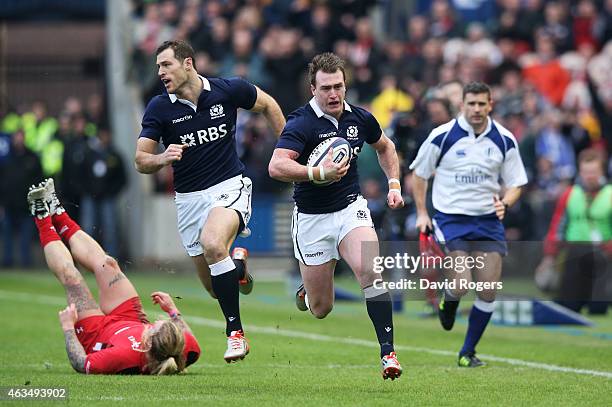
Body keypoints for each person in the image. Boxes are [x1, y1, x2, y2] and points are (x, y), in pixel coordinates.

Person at [134, 40, 286, 362]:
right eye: (158, 67)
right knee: (216, 288)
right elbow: (140, 160)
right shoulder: (160, 108)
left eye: (166, 65)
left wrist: (287, 152)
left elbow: (269, 105)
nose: (161, 72)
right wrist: (162, 158)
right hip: (189, 200)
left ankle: (235, 334)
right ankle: (239, 268)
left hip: (229, 185)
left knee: (214, 243)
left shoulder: (228, 90)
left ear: (188, 63)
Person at [268, 52, 405, 380]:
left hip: (349, 209)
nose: (333, 94)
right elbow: (276, 166)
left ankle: (388, 353)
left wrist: (395, 184)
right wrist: (318, 173)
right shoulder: (300, 123)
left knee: (370, 270)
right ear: (312, 89)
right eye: (326, 87)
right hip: (312, 219)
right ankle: (307, 289)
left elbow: (385, 147)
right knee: (321, 308)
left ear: (346, 86)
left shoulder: (359, 118)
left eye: (339, 86)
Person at [27, 178, 200, 374]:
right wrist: (173, 311)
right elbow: (191, 341)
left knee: (72, 276)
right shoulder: (180, 346)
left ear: (148, 342)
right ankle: (58, 212)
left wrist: (68, 328)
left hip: (96, 334)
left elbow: (81, 363)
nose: (154, 323)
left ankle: (41, 215)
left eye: (154, 327)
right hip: (130, 318)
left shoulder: (125, 356)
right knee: (108, 265)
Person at [410, 82, 528, 367]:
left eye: (481, 104)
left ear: (490, 105)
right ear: (462, 105)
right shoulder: (442, 135)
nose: (476, 109)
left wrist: (506, 203)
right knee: (461, 284)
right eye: (471, 104)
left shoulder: (504, 139)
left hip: (487, 221)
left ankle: (467, 352)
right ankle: (448, 301)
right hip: (451, 219)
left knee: (488, 291)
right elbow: (419, 175)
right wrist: (423, 213)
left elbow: (517, 183)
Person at [537, 148, 611, 314]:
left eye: (593, 171)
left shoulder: (610, 194)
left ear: (601, 171)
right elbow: (558, 226)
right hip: (574, 253)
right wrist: (550, 256)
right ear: (580, 171)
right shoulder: (569, 194)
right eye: (586, 171)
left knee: (598, 309)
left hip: (603, 254)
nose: (589, 176)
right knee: (569, 307)